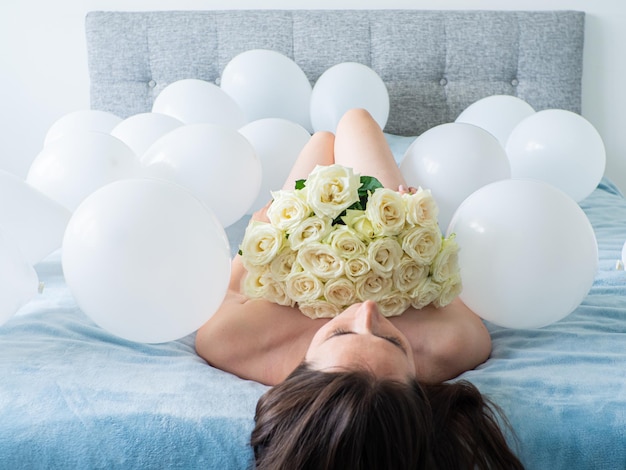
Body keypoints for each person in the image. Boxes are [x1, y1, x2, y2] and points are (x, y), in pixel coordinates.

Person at [196, 108, 524, 469]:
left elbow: (236, 273)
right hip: (381, 246)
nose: (367, 311)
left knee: (322, 142)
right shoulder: (455, 344)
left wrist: (262, 232)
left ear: (300, 373)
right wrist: (418, 231)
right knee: (355, 121)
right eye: (393, 341)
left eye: (337, 332)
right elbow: (447, 277)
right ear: (419, 386)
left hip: (296, 238)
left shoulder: (228, 341)